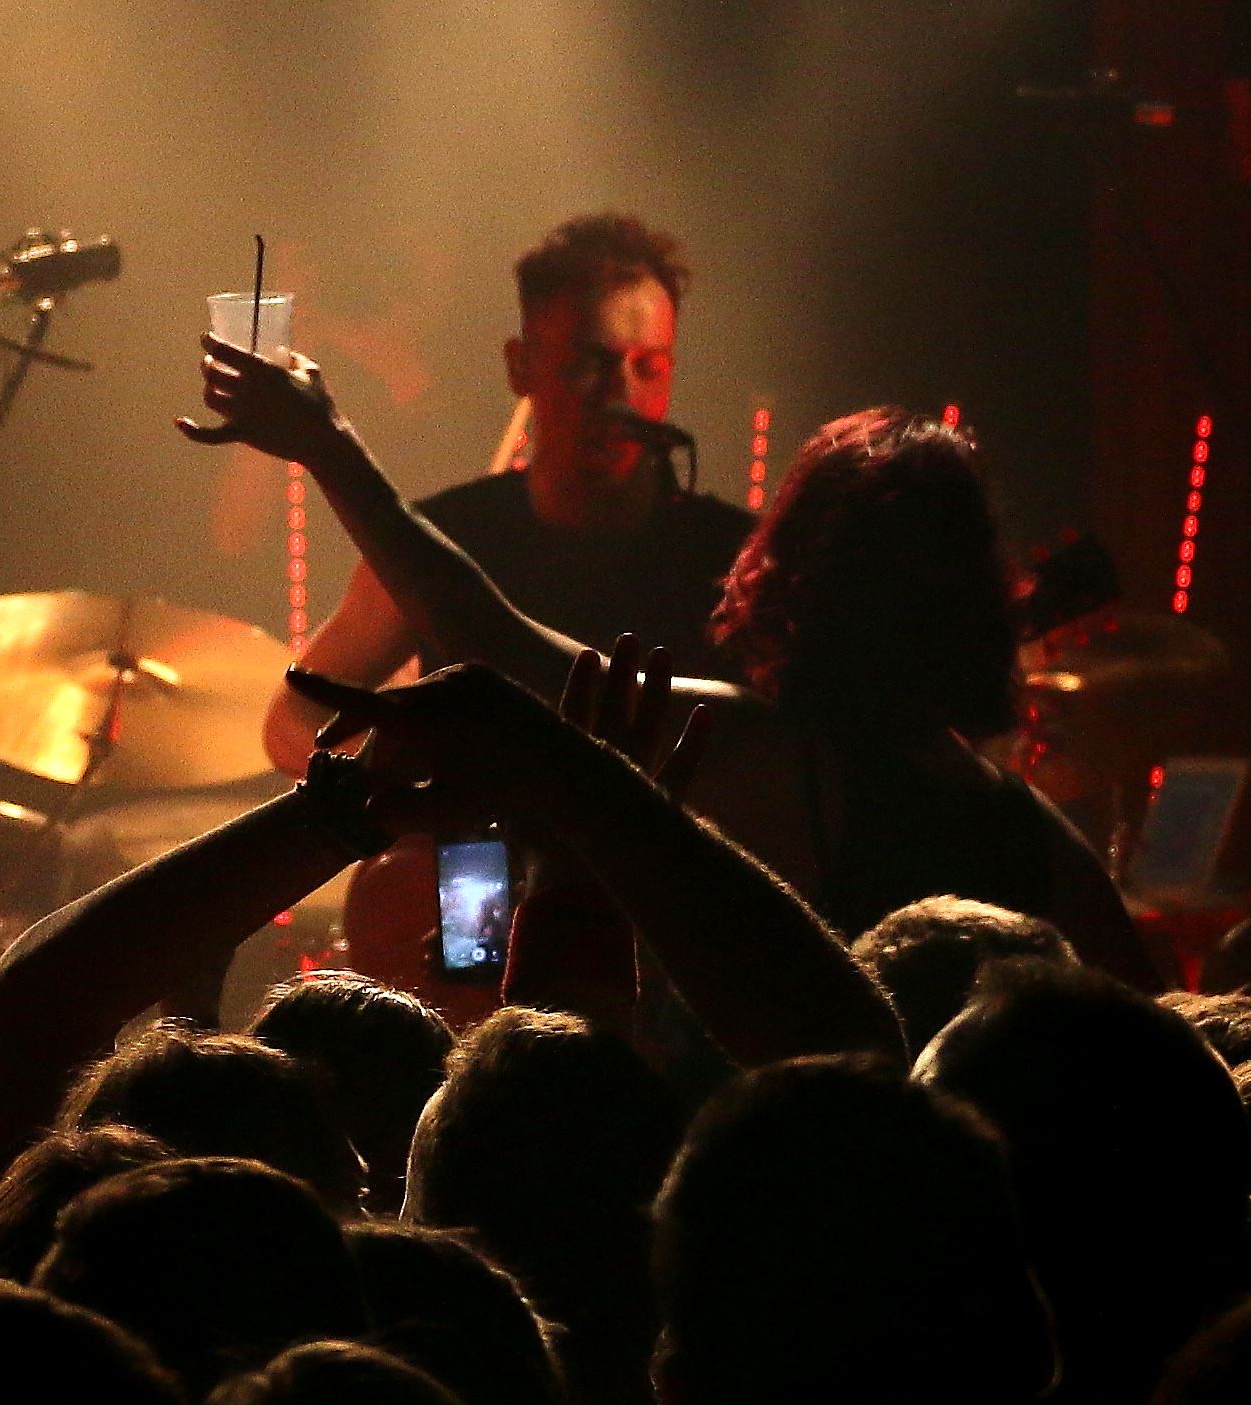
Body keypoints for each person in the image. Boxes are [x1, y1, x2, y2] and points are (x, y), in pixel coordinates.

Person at [207, 353, 1157, 981]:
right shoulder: (1032, 836)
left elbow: (494, 641)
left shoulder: (747, 750)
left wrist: (331, 449)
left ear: (794, 573)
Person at [266, 211, 754, 766]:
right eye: (588, 364)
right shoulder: (443, 539)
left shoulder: (740, 559)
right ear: (521, 366)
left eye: (649, 367)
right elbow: (294, 719)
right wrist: (427, 783)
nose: (620, 395)